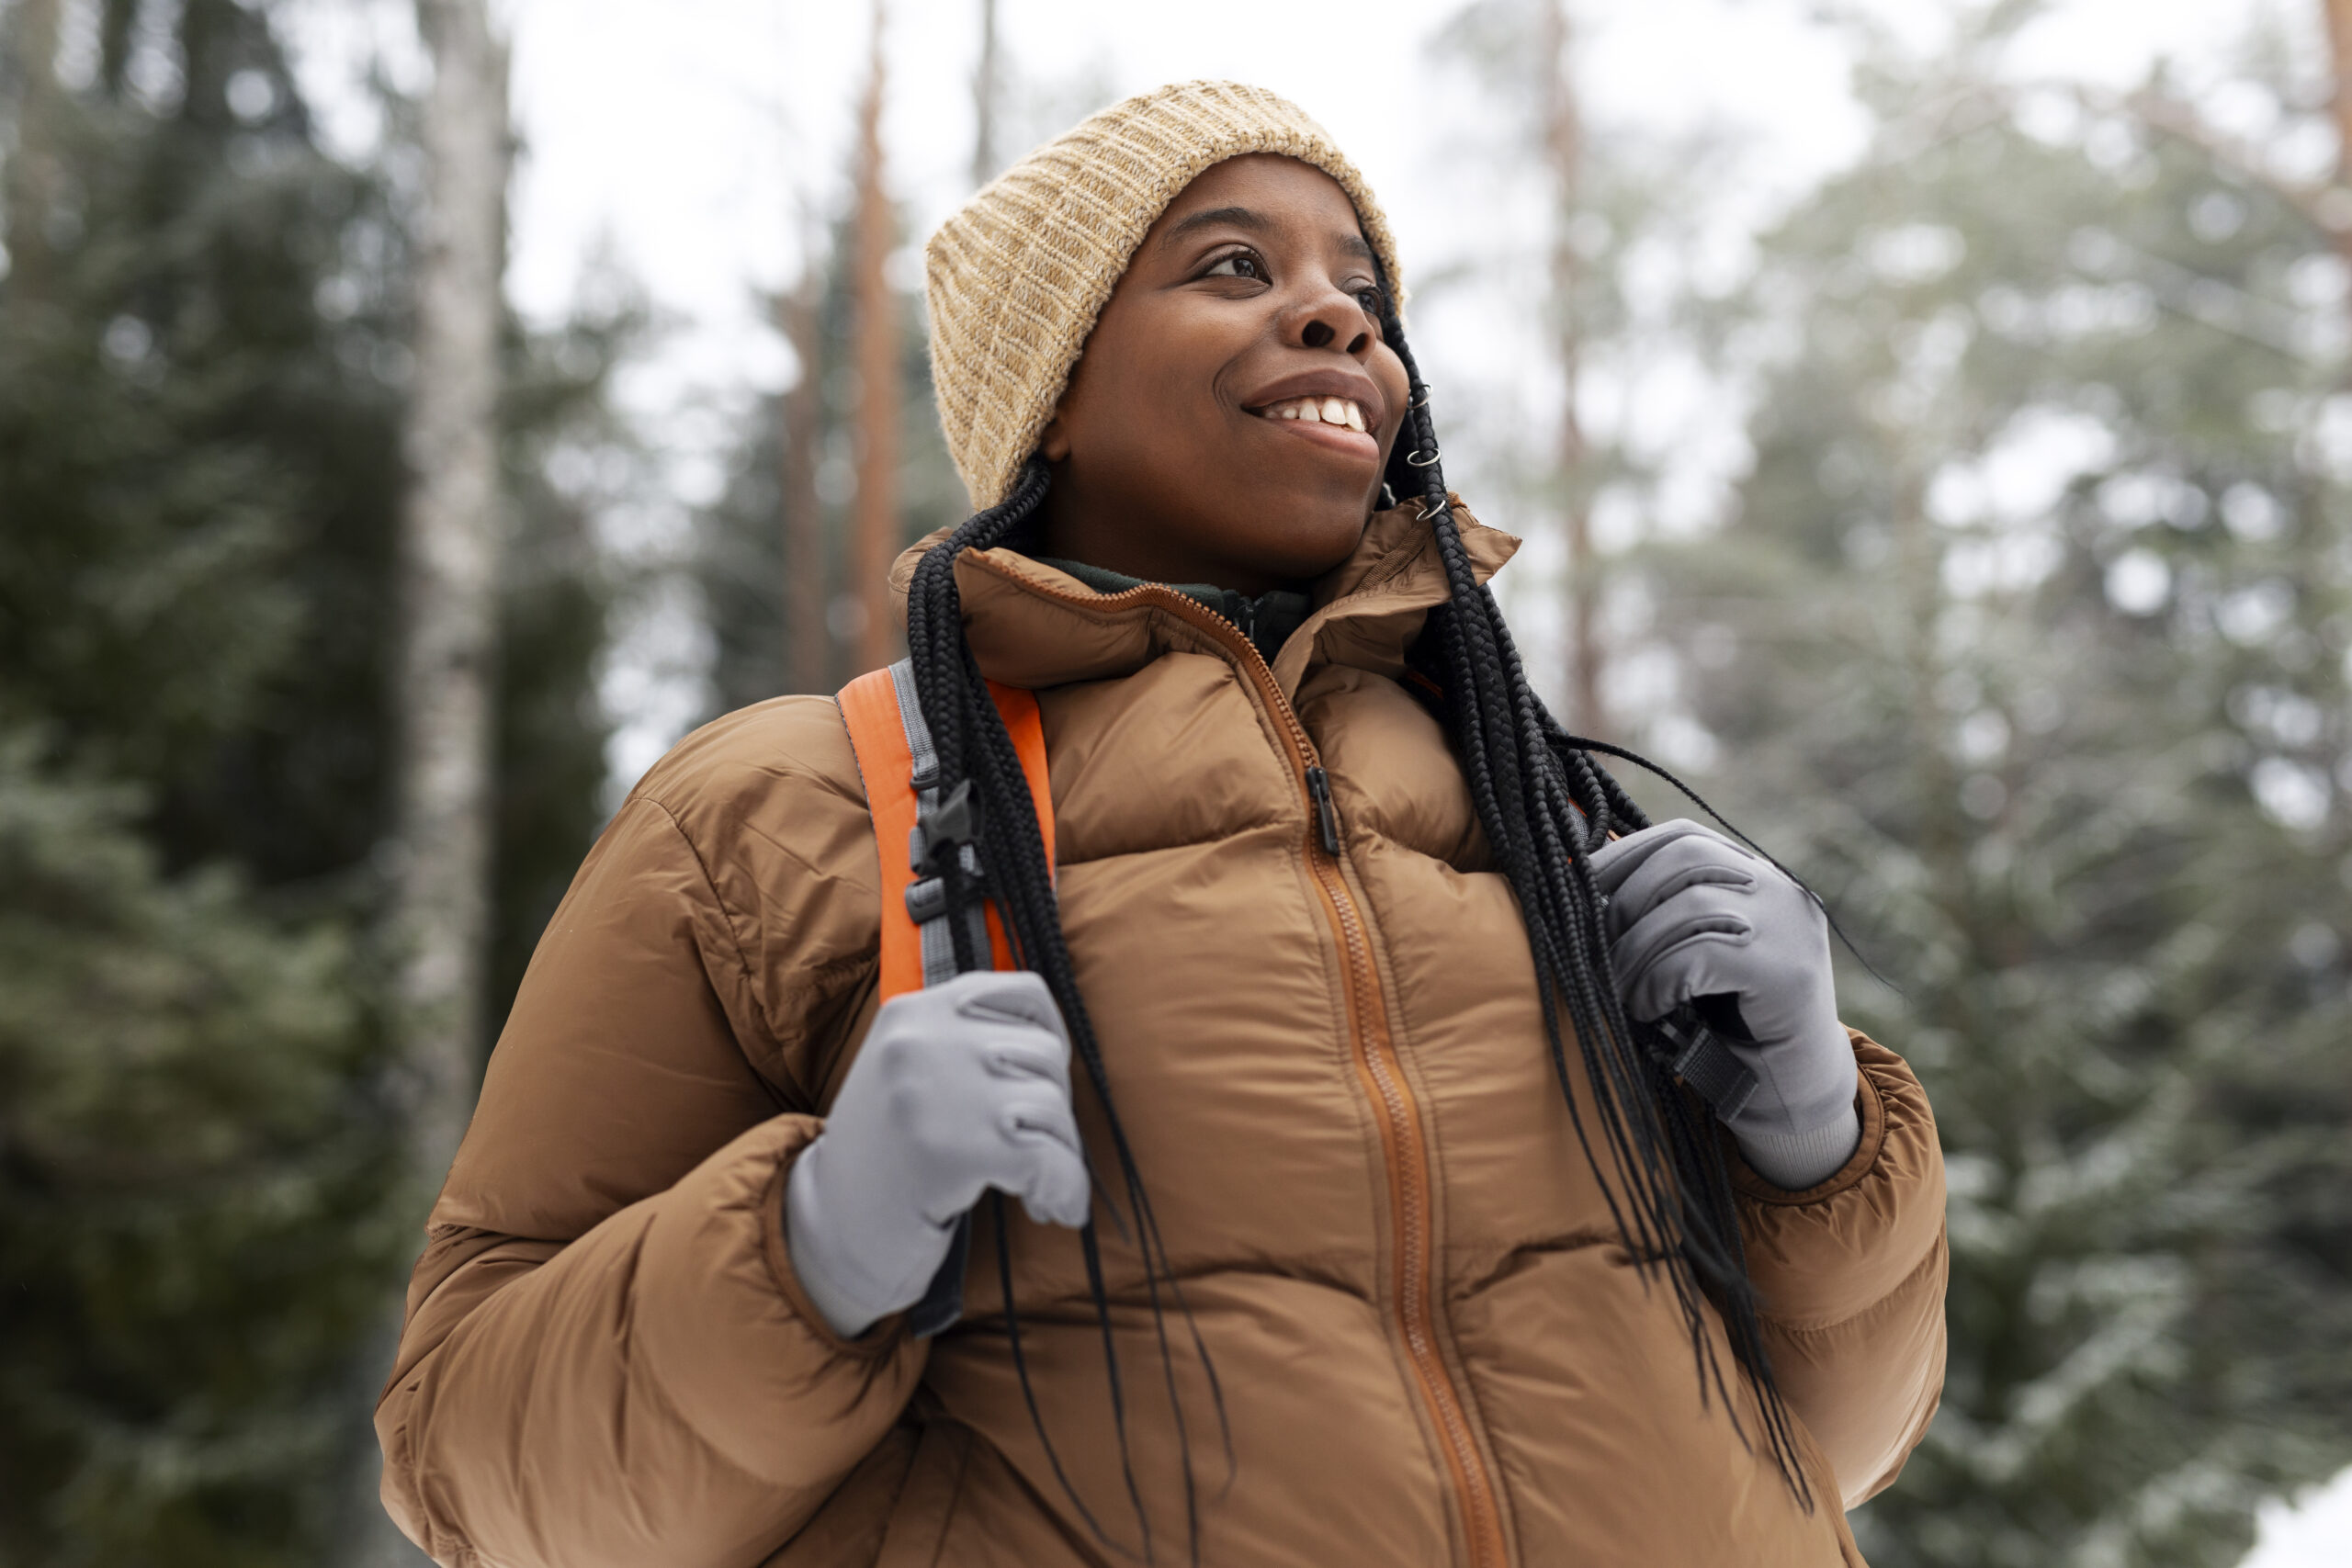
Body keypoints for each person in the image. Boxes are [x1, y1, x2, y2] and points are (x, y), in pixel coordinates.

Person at [374, 81, 1946, 1568]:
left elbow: (1832, 1450)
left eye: (1364, 294)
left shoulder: (1539, 812)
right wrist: (810, 1243)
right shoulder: (780, 812)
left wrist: (1810, 1140)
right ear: (1054, 388)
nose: (1335, 316)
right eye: (1234, 266)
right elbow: (472, 1473)